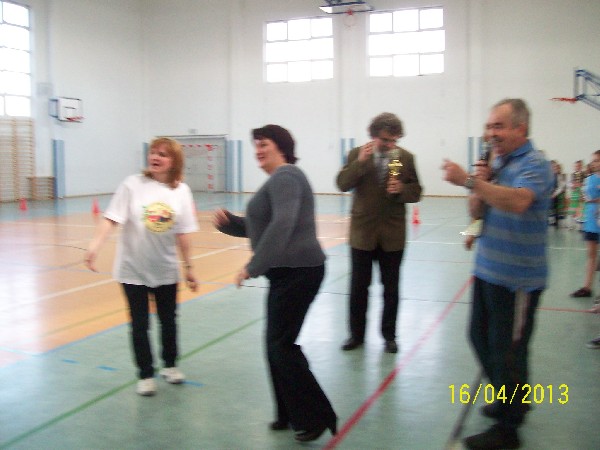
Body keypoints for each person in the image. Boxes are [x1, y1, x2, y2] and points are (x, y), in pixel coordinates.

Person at [213, 125, 337, 443]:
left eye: (264, 144)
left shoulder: (286, 176)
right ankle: (289, 414)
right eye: (255, 145)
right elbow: (264, 226)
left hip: (299, 272)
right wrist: (232, 224)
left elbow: (283, 224)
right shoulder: (279, 180)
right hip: (287, 273)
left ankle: (316, 416)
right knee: (276, 347)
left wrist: (253, 267)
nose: (258, 150)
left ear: (281, 146)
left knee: (281, 346)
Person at [442, 98, 553, 450]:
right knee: (479, 338)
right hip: (487, 271)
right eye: (489, 126)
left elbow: (518, 201)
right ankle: (510, 399)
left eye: (499, 126)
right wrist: (479, 184)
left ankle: (509, 428)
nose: (492, 133)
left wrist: (469, 180)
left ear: (521, 128)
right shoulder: (498, 162)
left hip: (518, 279)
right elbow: (478, 209)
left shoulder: (535, 164)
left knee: (509, 352)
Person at [85, 137, 198, 396]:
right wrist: (94, 246)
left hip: (165, 269)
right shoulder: (132, 185)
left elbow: (183, 233)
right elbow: (111, 218)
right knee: (139, 324)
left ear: (174, 161)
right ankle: (145, 374)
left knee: (168, 321)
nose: (155, 157)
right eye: (153, 152)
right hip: (132, 269)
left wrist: (189, 267)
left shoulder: (181, 191)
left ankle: (170, 365)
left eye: (163, 154)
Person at [336, 112, 422, 354]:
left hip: (392, 236)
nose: (391, 145)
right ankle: (356, 335)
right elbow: (342, 184)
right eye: (386, 140)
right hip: (362, 234)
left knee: (391, 290)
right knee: (358, 288)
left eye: (395, 140)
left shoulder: (404, 158)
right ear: (372, 136)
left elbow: (417, 191)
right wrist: (360, 163)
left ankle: (389, 336)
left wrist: (402, 188)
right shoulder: (357, 154)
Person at [570, 150, 600, 298]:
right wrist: (581, 209)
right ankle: (587, 287)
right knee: (591, 254)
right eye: (593, 161)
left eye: (597, 160)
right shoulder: (590, 179)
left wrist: (595, 200)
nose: (594, 163)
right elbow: (585, 196)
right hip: (591, 218)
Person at [549, 160, 567, 228]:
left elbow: (560, 187)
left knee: (556, 208)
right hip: (549, 194)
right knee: (549, 208)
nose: (553, 168)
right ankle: (550, 220)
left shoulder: (559, 176)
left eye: (554, 166)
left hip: (555, 195)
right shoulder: (548, 176)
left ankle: (556, 222)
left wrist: (555, 194)